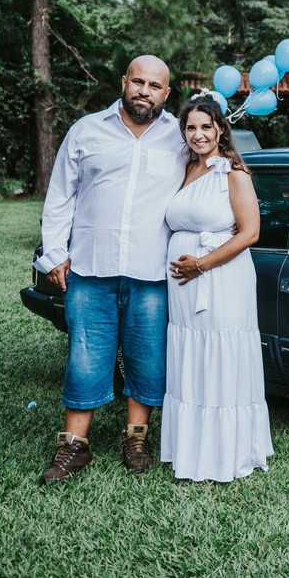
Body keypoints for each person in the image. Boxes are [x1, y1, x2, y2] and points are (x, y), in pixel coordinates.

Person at [36, 55, 185, 484]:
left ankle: (136, 439)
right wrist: (54, 253)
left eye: (154, 86)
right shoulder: (86, 130)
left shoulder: (180, 136)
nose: (144, 91)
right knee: (84, 356)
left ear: (166, 93)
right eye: (138, 82)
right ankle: (73, 446)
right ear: (123, 82)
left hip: (153, 272)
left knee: (148, 358)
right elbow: (60, 195)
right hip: (90, 268)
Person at [160, 96, 272, 481]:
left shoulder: (233, 174)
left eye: (206, 127)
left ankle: (226, 453)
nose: (198, 135)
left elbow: (250, 232)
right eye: (191, 127)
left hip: (221, 278)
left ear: (220, 129)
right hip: (183, 285)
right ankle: (191, 449)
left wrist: (201, 264)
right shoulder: (186, 168)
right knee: (192, 356)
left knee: (221, 356)